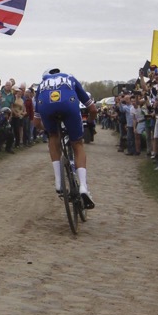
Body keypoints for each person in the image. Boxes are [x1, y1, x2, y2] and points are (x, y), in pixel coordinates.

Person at [33, 68, 98, 209]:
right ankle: (83, 187)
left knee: (53, 137)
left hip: (46, 107)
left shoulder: (41, 85)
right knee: (77, 144)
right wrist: (90, 122)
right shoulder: (70, 78)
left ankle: (58, 182)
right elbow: (93, 109)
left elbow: (36, 122)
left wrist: (49, 130)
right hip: (69, 106)